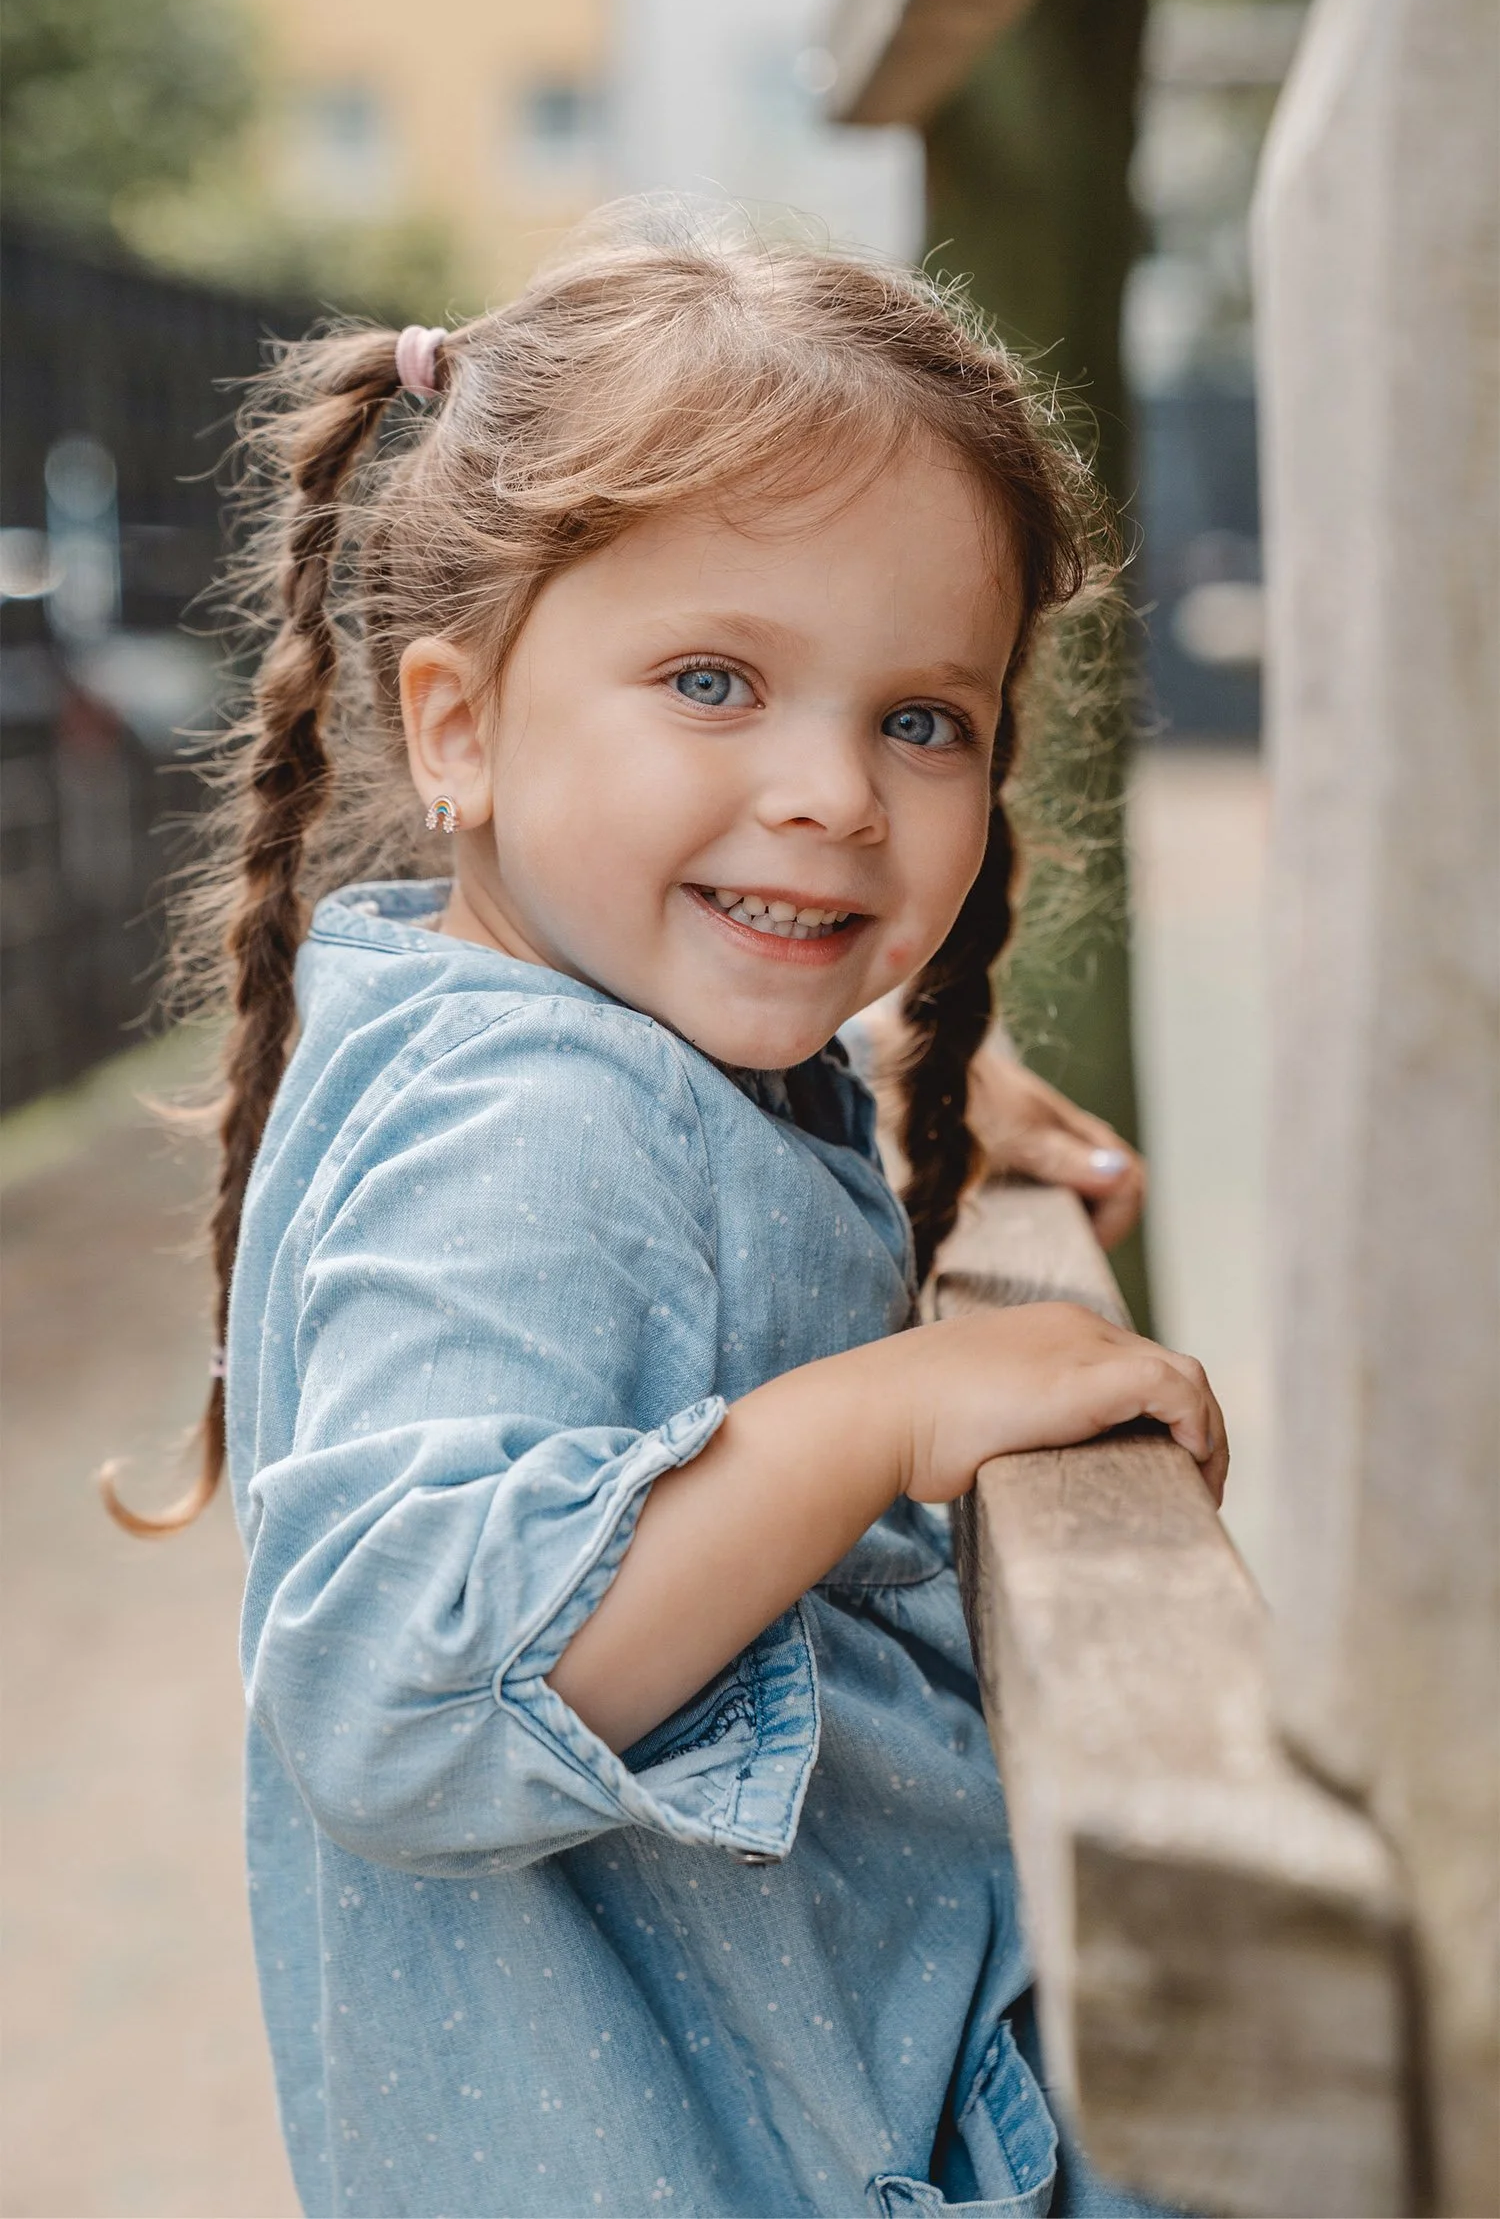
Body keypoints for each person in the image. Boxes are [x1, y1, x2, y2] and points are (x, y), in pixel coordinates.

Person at [111, 210, 1225, 2217]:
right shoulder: (525, 1131)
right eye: (715, 679)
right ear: (457, 728)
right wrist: (884, 1413)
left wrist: (884, 1074)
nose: (831, 792)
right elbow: (394, 1692)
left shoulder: (558, 1045)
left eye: (922, 717)